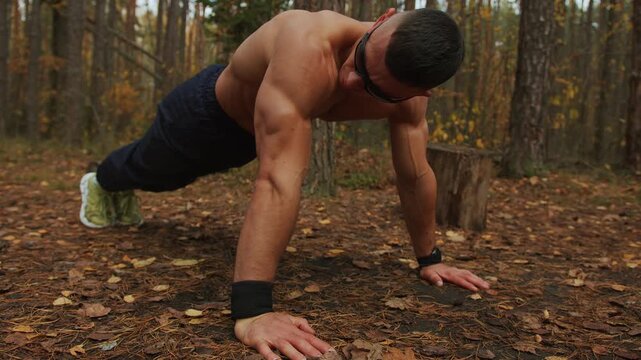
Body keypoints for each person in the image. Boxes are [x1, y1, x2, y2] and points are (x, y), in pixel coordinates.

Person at [79, 7, 491, 360]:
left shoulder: (409, 99)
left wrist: (430, 258)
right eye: (361, 61)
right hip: (205, 118)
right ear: (380, 21)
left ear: (420, 93)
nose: (351, 82)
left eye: (375, 89)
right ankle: (100, 181)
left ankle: (114, 182)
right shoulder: (306, 41)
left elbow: (415, 175)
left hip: (251, 139)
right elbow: (278, 180)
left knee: (166, 178)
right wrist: (253, 311)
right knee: (151, 172)